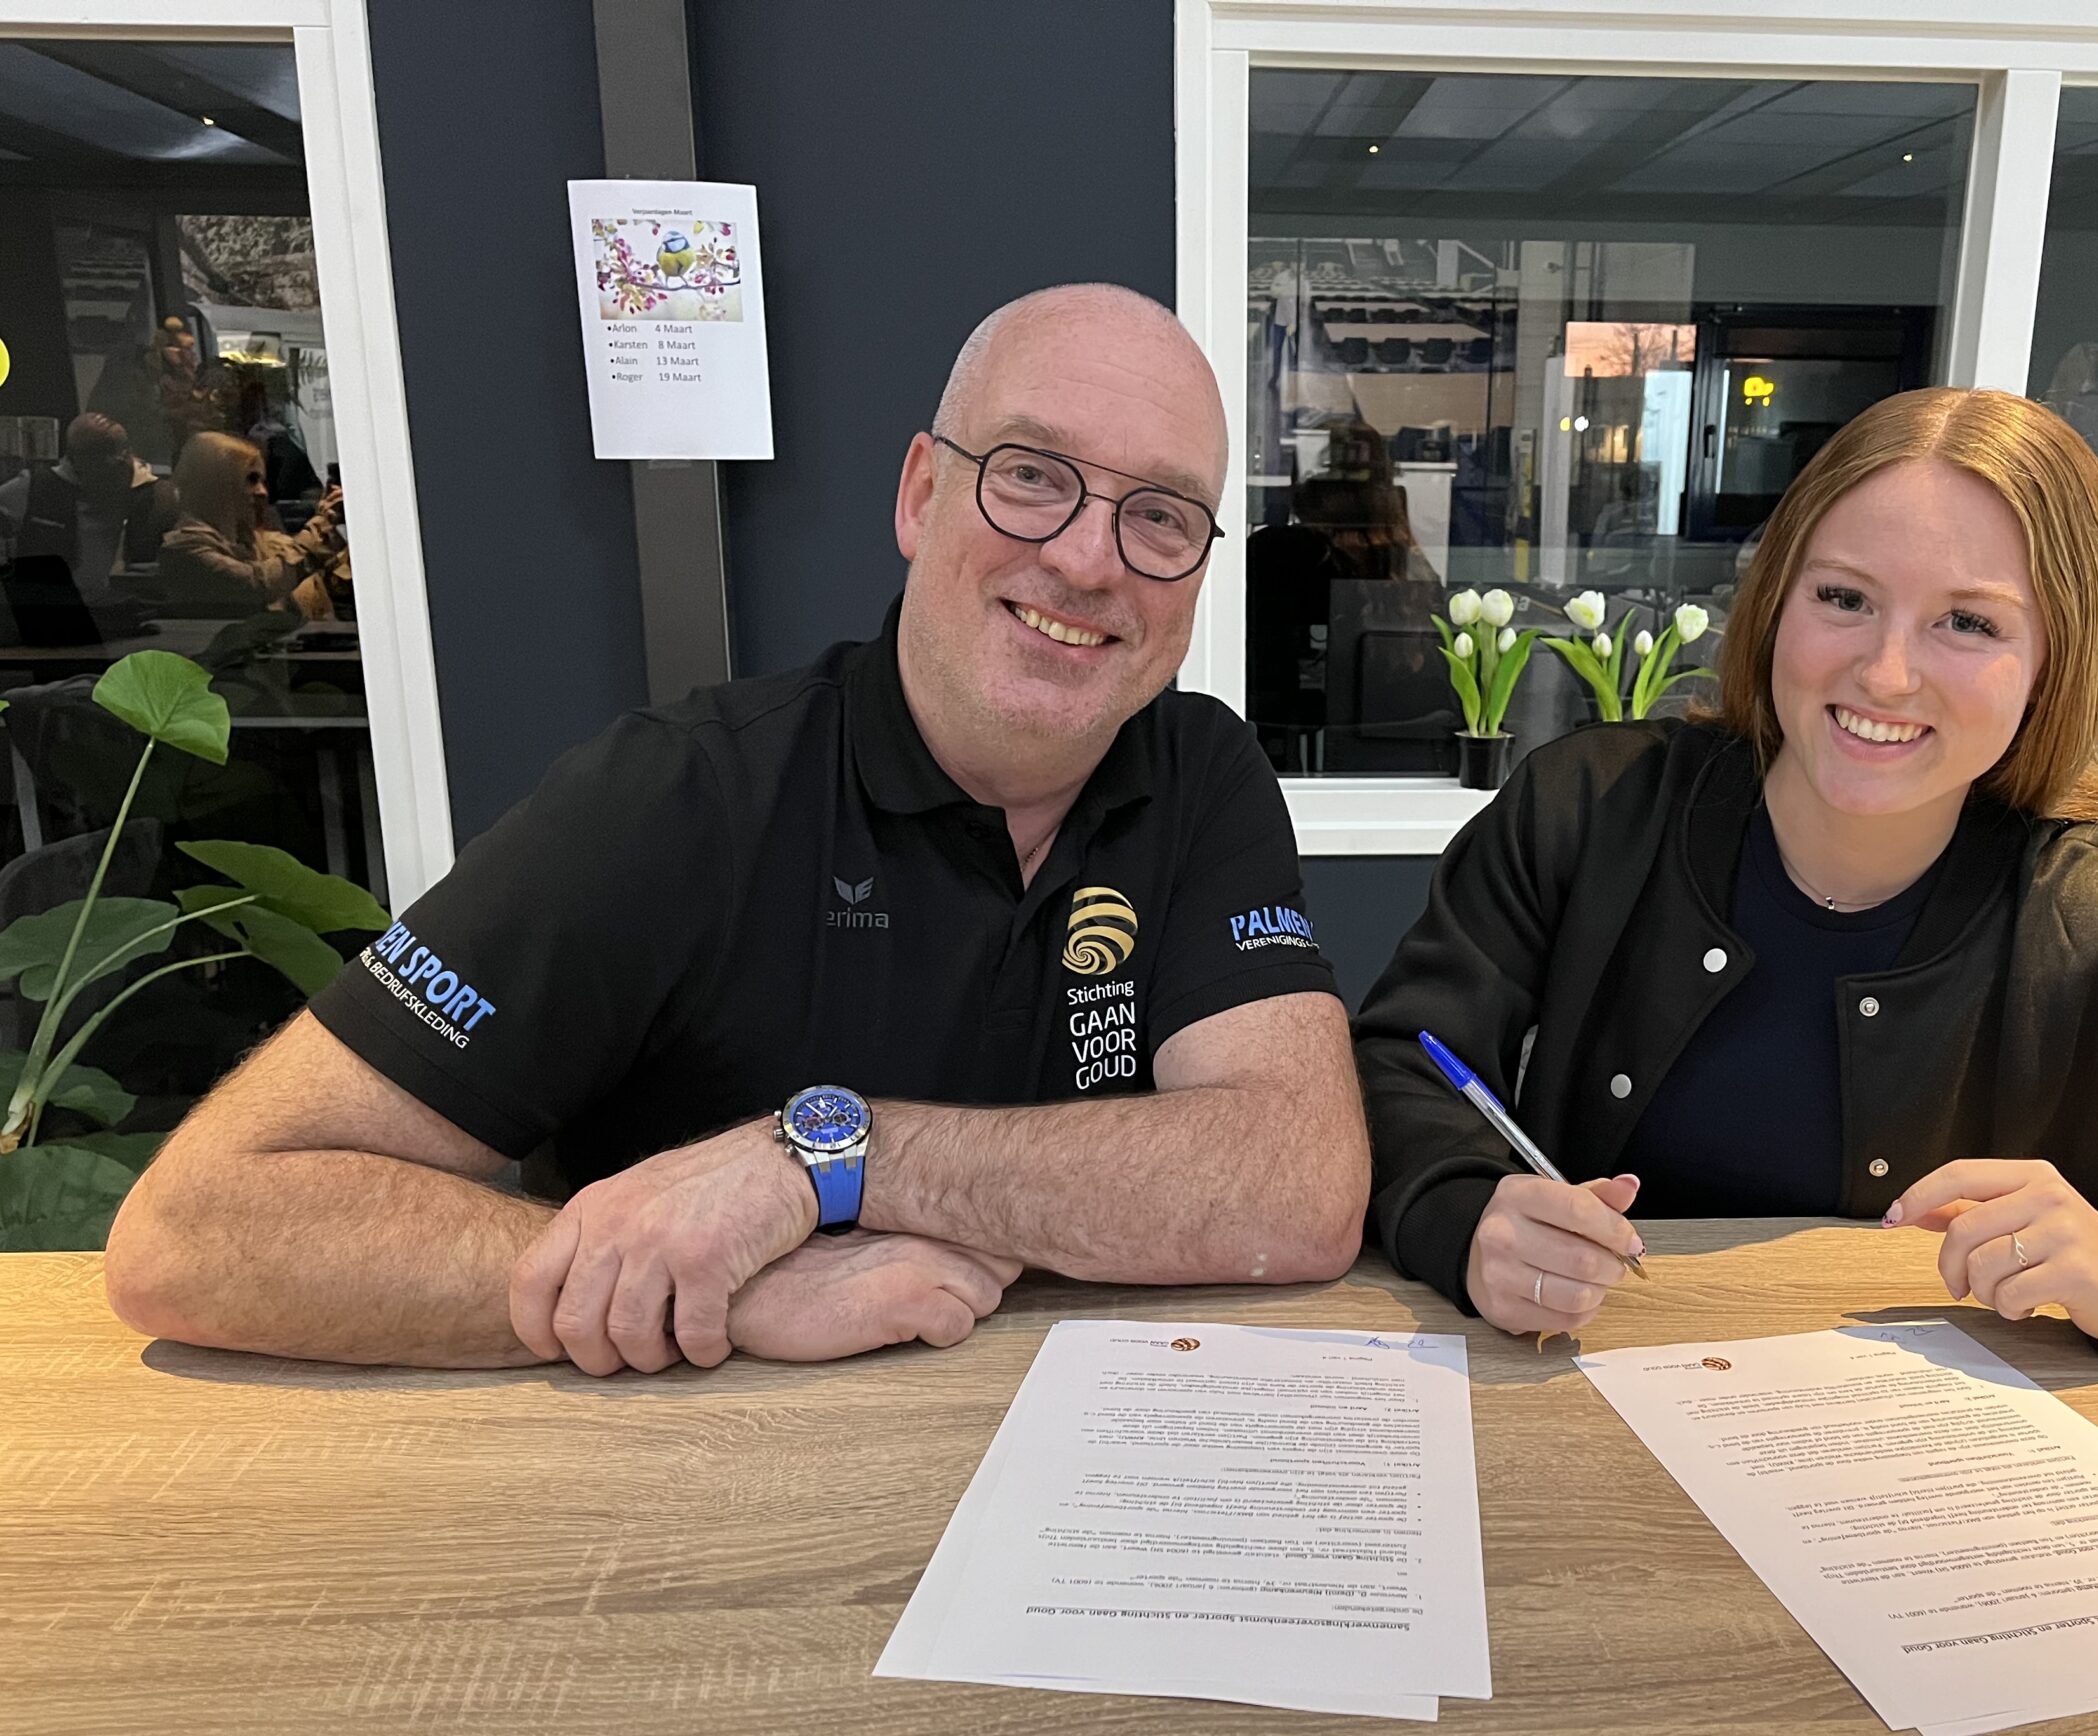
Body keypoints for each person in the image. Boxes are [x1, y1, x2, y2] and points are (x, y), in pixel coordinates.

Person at [106, 283, 1369, 1373]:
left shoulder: (1198, 772)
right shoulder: (675, 798)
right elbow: (200, 1227)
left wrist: (823, 1163)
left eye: (1160, 514)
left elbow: (1296, 1183)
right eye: (1032, 475)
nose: (1091, 560)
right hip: (690, 1504)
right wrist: (718, 1287)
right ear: (921, 495)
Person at [1355, 385, 2098, 1370]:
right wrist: (1464, 1214)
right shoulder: (1590, 806)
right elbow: (1400, 1064)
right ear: (1774, 605)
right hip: (1593, 1406)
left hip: (1952, 1486)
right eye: (1842, 599)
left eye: (1967, 624)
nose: (1884, 673)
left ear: (2051, 662)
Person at [155, 431, 345, 618]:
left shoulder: (263, 542)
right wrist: (321, 526)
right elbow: (258, 586)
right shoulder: (182, 549)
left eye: (262, 481)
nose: (262, 492)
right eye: (251, 480)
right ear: (215, 483)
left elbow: (331, 578)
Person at [0, 412, 181, 604]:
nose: (118, 467)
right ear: (76, 459)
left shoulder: (148, 491)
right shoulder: (35, 487)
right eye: (101, 458)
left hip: (117, 606)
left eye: (122, 456)